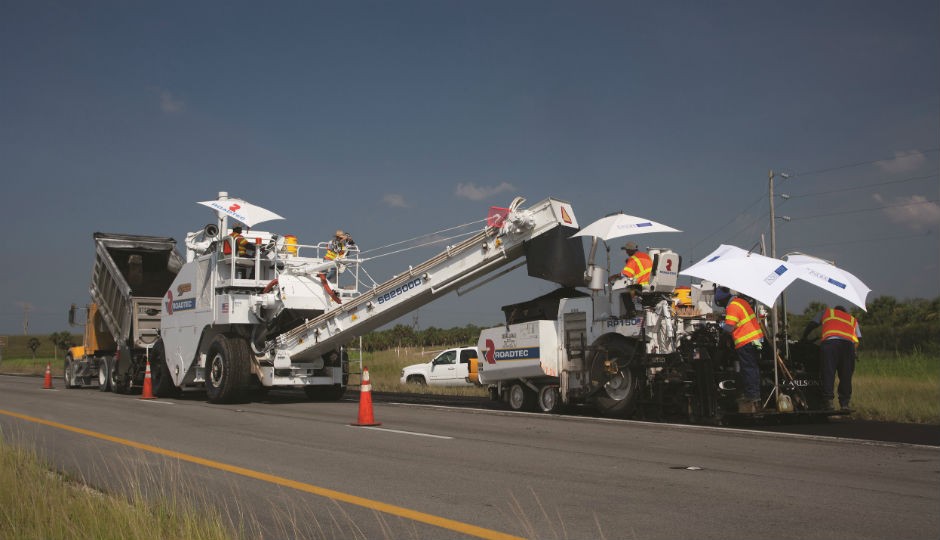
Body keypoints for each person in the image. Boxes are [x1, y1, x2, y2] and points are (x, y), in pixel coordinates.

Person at [801, 305, 861, 410]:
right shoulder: (852, 319)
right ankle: (844, 404)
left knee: (828, 372)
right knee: (846, 375)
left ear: (835, 310)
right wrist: (854, 352)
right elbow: (858, 337)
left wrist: (804, 336)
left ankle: (828, 402)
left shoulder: (827, 312)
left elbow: (812, 324)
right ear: (844, 312)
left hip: (831, 344)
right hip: (848, 346)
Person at [716, 286, 764, 413]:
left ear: (721, 300)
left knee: (748, 368)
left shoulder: (733, 306)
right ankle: (755, 394)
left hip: (746, 340)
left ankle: (752, 396)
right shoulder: (741, 302)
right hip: (756, 339)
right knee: (753, 368)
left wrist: (721, 340)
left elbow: (729, 328)